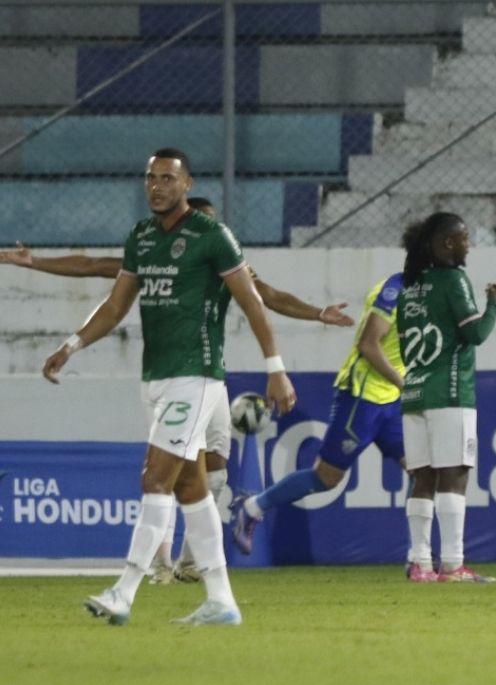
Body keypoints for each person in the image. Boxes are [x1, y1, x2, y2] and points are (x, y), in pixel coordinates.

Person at [3, 199, 353, 584]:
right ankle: (159, 564)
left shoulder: (222, 257)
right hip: (168, 377)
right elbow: (96, 267)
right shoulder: (154, 253)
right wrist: (33, 263)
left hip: (208, 379)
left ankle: (191, 562)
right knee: (165, 473)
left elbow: (266, 296)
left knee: (214, 471)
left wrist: (318, 314)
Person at [41, 147, 297, 626]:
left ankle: (125, 590)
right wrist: (73, 343)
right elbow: (116, 306)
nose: (157, 186)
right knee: (191, 490)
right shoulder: (141, 238)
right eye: (151, 178)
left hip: (195, 375)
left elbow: (255, 303)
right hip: (156, 377)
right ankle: (221, 601)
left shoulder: (212, 236)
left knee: (154, 478)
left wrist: (275, 367)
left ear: (187, 184)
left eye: (167, 178)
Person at [231, 269, 407, 555]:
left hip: (392, 401)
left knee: (423, 471)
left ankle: (421, 557)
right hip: (362, 396)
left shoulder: (433, 292)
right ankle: (251, 508)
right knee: (325, 478)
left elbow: (264, 291)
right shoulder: (393, 289)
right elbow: (263, 296)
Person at [398, 212, 496, 583]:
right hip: (450, 390)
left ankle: (420, 564)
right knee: (454, 477)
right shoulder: (453, 279)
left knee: (422, 479)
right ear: (446, 243)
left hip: (414, 391)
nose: (468, 244)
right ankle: (453, 564)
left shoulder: (409, 287)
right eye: (463, 237)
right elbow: (474, 334)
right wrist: (494, 305)